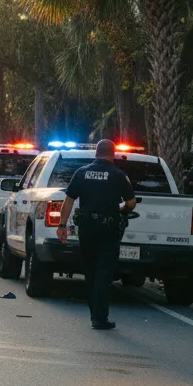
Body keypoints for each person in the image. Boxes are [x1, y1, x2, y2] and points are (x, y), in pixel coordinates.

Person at [56, 139, 136, 330]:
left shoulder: (82, 172)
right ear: (113, 155)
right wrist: (121, 210)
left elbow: (69, 200)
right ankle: (100, 318)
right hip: (108, 230)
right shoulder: (118, 175)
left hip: (86, 229)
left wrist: (62, 225)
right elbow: (131, 203)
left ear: (96, 153)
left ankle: (95, 314)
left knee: (90, 272)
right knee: (104, 272)